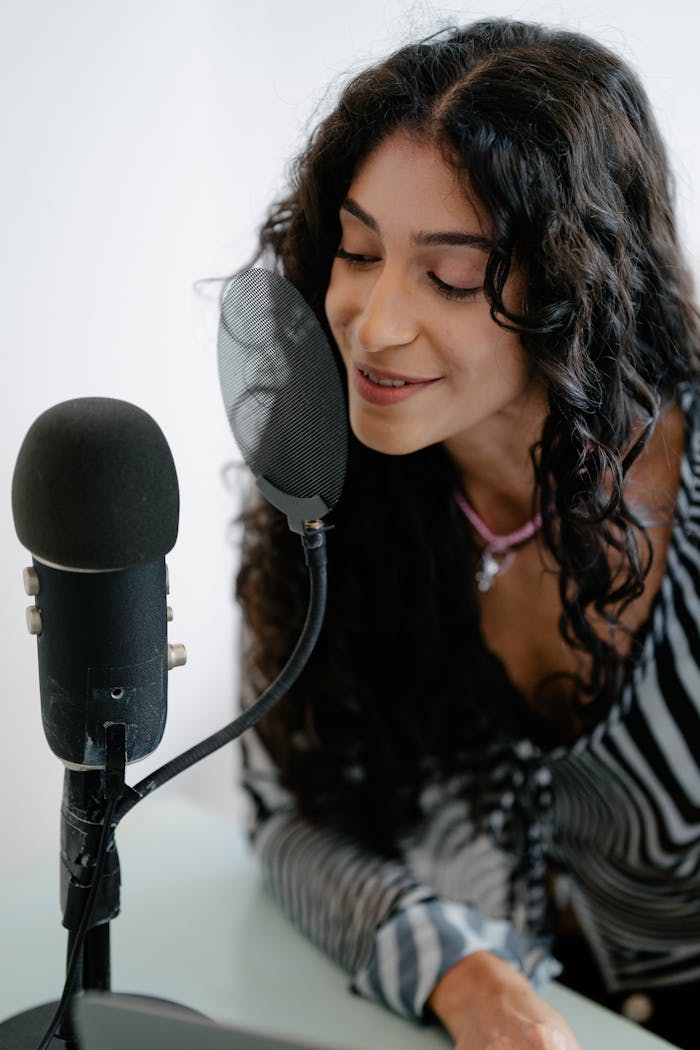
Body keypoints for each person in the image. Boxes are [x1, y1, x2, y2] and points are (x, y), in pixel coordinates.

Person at [232, 18, 700, 1050]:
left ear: (575, 291)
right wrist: (456, 970)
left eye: (450, 278)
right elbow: (291, 818)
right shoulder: (325, 490)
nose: (372, 322)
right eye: (357, 253)